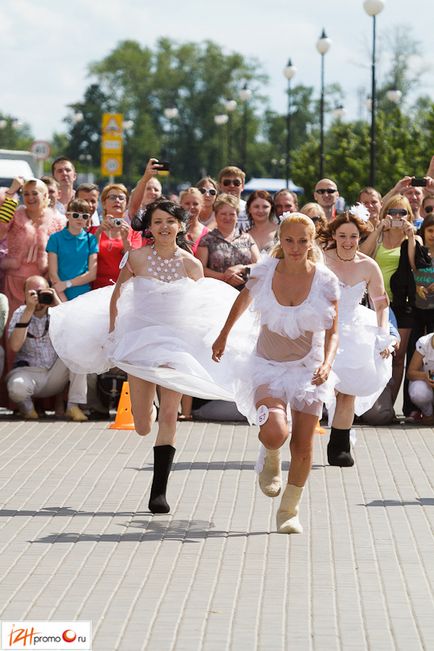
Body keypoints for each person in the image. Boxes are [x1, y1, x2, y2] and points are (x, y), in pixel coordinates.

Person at [49, 200, 254, 513]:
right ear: (149, 227)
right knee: (143, 424)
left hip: (175, 343)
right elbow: (118, 295)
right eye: (158, 222)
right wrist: (114, 331)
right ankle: (150, 406)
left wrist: (210, 340)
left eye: (170, 222)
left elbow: (203, 306)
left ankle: (159, 492)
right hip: (140, 340)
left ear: (180, 226)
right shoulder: (136, 258)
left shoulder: (191, 264)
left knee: (170, 415)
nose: (164, 227)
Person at [212, 214, 340, 534]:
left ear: (311, 243)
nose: (295, 247)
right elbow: (243, 299)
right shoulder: (265, 271)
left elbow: (335, 331)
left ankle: (289, 509)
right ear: (280, 241)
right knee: (275, 432)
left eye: (302, 241)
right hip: (267, 365)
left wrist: (326, 362)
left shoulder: (325, 280)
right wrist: (223, 335)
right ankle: (270, 456)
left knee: (302, 445)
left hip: (308, 369)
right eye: (289, 240)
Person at [321, 207, 393, 466]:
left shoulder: (368, 266)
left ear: (360, 237)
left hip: (355, 330)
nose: (348, 242)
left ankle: (339, 446)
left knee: (347, 391)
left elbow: (381, 304)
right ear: (334, 235)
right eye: (342, 236)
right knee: (314, 389)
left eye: (353, 236)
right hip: (321, 327)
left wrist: (383, 334)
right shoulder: (320, 259)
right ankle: (301, 441)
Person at [360, 194, 422, 407]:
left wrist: (411, 237)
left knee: (398, 356)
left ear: (409, 215)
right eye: (392, 212)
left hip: (402, 304)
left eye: (401, 212)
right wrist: (378, 229)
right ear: (385, 213)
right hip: (375, 302)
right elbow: (361, 256)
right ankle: (369, 403)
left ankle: (388, 405)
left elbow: (416, 267)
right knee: (373, 352)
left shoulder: (414, 238)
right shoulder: (377, 237)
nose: (396, 216)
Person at [7, 275, 87, 421]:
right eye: (32, 293)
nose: (37, 296)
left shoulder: (56, 312)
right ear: (24, 294)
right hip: (29, 373)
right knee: (16, 387)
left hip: (55, 375)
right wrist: (29, 311)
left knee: (79, 355)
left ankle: (73, 406)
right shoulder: (20, 313)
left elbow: (76, 334)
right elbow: (14, 346)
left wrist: (56, 301)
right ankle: (28, 409)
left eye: (41, 292)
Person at [0, 177, 64, 316]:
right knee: (12, 327)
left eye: (35, 193)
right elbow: (1, 228)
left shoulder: (58, 221)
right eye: (26, 194)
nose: (30, 197)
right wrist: (11, 193)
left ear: (46, 195)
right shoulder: (15, 214)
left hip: (43, 285)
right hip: (13, 283)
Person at [196, 194, 260, 290]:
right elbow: (201, 269)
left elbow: (259, 264)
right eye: (223, 214)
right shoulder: (206, 240)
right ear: (216, 215)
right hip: (217, 290)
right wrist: (225, 277)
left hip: (245, 291)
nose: (227, 217)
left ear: (237, 216)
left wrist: (241, 268)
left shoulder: (247, 238)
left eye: (232, 214)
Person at [89, 184, 142, 289]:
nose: (117, 200)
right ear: (104, 204)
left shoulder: (134, 233)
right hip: (96, 289)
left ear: (126, 204)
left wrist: (125, 240)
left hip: (124, 288)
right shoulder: (93, 230)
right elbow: (86, 256)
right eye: (112, 197)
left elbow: (135, 263)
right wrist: (99, 232)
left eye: (121, 198)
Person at [46, 198, 98, 302]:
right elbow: (52, 273)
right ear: (67, 215)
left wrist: (66, 284)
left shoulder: (91, 239)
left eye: (84, 216)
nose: (80, 219)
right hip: (60, 297)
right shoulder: (55, 238)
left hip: (83, 297)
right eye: (75, 215)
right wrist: (62, 299)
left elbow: (92, 274)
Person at [407, 333, 434, 423]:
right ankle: (428, 413)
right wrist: (425, 376)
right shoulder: (424, 342)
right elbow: (410, 373)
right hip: (427, 386)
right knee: (417, 392)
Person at [127, 158, 163, 223]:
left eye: (156, 190)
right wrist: (145, 178)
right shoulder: (138, 214)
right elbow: (134, 208)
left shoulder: (166, 214)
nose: (152, 192)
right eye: (148, 188)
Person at [179, 187, 209, 255]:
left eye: (195, 204)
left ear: (201, 206)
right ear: (180, 205)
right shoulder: (174, 230)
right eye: (187, 203)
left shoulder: (208, 233)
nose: (191, 207)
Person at [217, 166, 248, 231]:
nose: (231, 186)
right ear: (219, 186)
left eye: (236, 183)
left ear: (242, 186)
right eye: (227, 183)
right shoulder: (213, 208)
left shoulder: (250, 208)